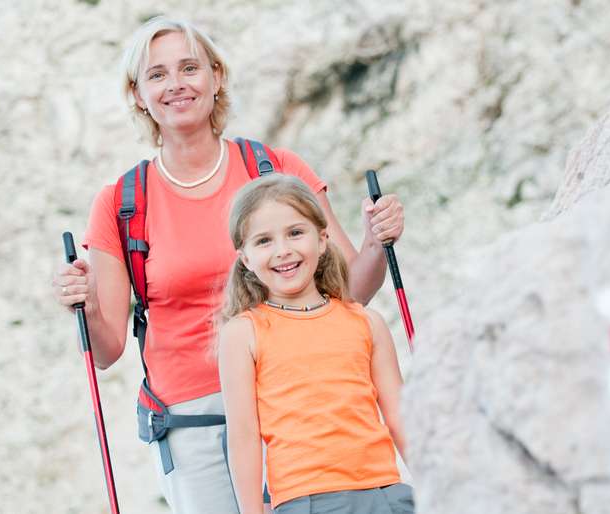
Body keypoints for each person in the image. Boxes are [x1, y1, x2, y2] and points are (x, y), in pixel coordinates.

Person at [51, 16, 405, 514]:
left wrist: (375, 241)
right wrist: (84, 303)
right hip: (193, 423)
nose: (176, 84)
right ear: (137, 94)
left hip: (297, 401)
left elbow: (350, 294)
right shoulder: (121, 202)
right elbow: (106, 350)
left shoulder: (275, 169)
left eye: (190, 67)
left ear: (216, 76)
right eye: (157, 74)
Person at [218, 174, 414, 514]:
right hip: (305, 501)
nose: (283, 251)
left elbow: (400, 415)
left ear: (322, 239)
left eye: (296, 232)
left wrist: (442, 483)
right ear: (245, 258)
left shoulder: (366, 322)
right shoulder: (242, 333)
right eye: (264, 240)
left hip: (385, 494)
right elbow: (244, 438)